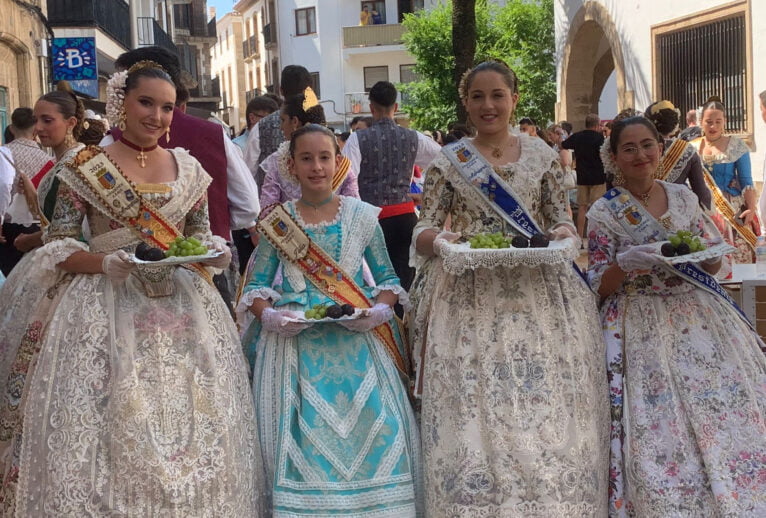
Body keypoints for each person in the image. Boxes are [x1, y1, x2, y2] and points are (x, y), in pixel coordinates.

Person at [4, 61, 261, 515]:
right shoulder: (85, 165)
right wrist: (103, 261)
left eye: (166, 107)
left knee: (192, 415)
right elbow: (58, 243)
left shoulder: (188, 167)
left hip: (181, 306)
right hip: (105, 303)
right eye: (147, 103)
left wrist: (214, 254)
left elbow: (198, 235)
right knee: (109, 418)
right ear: (121, 102)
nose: (157, 116)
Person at [409, 60, 608, 516]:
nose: (488, 105)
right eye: (477, 96)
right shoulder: (448, 160)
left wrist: (563, 235)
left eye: (497, 95)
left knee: (541, 398)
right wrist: (440, 241)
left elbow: (559, 216)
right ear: (466, 103)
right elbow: (424, 227)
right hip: (469, 298)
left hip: (540, 293)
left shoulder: (541, 154)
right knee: (478, 402)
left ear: (514, 99)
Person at [587, 115, 766, 516]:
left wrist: (709, 255)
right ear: (613, 156)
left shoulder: (683, 197)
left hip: (699, 314)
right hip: (637, 320)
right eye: (628, 148)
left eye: (647, 144)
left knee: (725, 408)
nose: (640, 154)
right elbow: (598, 285)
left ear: (661, 147)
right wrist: (627, 263)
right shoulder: (603, 211)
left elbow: (714, 264)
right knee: (658, 427)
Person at [241, 124, 421, 516]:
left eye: (325, 157)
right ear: (291, 166)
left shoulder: (362, 216)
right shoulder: (277, 223)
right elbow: (254, 287)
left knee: (376, 426)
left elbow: (388, 279)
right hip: (295, 345)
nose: (317, 166)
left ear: (339, 163)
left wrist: (378, 310)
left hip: (357, 340)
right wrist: (270, 316)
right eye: (306, 158)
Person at [104, 46, 261, 309]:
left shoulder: (108, 144)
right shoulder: (213, 133)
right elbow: (248, 207)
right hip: (199, 271)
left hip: (125, 284)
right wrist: (218, 227)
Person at [343, 81, 440, 294]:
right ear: (395, 107)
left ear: (371, 108)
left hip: (370, 219)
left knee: (374, 284)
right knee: (404, 283)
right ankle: (404, 324)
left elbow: (347, 180)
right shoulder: (414, 137)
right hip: (405, 217)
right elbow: (445, 162)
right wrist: (425, 196)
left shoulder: (357, 139)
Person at [690, 96, 758, 278]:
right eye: (709, 122)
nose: (713, 126)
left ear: (724, 122)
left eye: (717, 122)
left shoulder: (737, 145)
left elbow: (746, 181)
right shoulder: (692, 148)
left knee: (737, 257)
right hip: (701, 209)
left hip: (730, 209)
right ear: (701, 122)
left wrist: (751, 209)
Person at [0, 107, 53, 274]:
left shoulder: (4, 153)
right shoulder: (48, 159)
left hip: (9, 225)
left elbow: (3, 187)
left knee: (11, 277)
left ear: (12, 128)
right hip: (39, 227)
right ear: (36, 130)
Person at [244, 65, 313, 190]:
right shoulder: (321, 127)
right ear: (309, 91)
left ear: (281, 90)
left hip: (273, 205)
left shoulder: (261, 127)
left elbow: (248, 174)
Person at [642, 100, 711, 209]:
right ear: (674, 124)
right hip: (677, 212)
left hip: (641, 212)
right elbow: (701, 193)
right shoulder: (686, 150)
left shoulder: (637, 149)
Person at [563, 113, 607, 241]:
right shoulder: (599, 138)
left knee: (582, 207)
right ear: (597, 124)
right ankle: (594, 237)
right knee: (596, 207)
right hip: (598, 176)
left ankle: (580, 237)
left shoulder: (578, 136)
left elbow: (564, 144)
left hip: (582, 176)